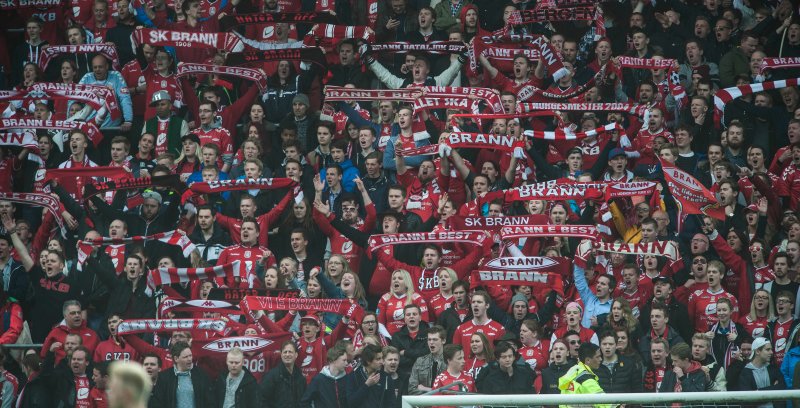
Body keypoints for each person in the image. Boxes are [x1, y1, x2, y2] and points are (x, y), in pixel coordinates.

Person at [150, 341, 213, 408]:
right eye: (185, 357)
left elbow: (210, 402)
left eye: (190, 356)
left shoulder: (201, 375)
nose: (189, 359)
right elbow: (157, 403)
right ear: (176, 359)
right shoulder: (164, 377)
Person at [345, 343, 398, 408]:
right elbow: (351, 402)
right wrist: (367, 385)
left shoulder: (386, 377)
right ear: (368, 361)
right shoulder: (354, 376)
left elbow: (392, 404)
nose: (382, 362)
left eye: (382, 358)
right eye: (378, 359)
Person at [260, 341, 306, 407]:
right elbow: (262, 400)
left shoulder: (301, 378)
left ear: (296, 355)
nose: (287, 354)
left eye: (290, 352)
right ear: (281, 355)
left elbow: (303, 401)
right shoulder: (271, 376)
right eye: (285, 352)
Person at [408, 325, 447, 395]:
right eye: (429, 339)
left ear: (443, 341)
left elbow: (451, 390)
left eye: (435, 339)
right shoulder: (420, 361)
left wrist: (426, 389)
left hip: (443, 404)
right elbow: (412, 389)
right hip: (424, 403)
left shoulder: (449, 361)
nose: (431, 342)